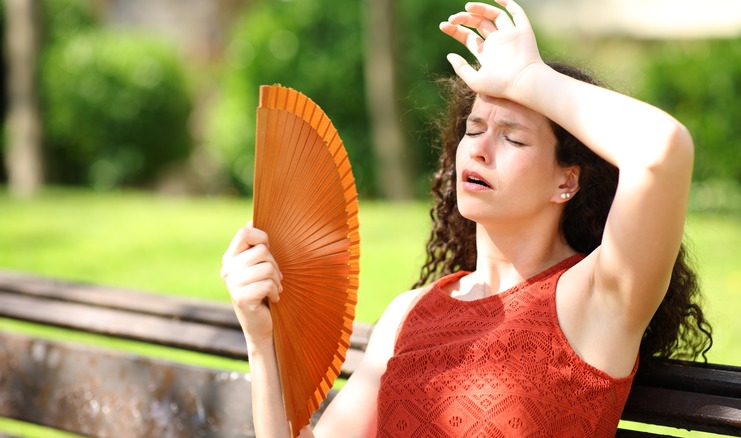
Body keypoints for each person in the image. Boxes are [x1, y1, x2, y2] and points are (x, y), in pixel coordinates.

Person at [220, 0, 713, 436]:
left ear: (567, 181)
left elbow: (662, 150)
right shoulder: (408, 314)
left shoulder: (594, 300)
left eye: (513, 138)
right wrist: (262, 340)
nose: (478, 150)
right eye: (472, 130)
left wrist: (527, 80)